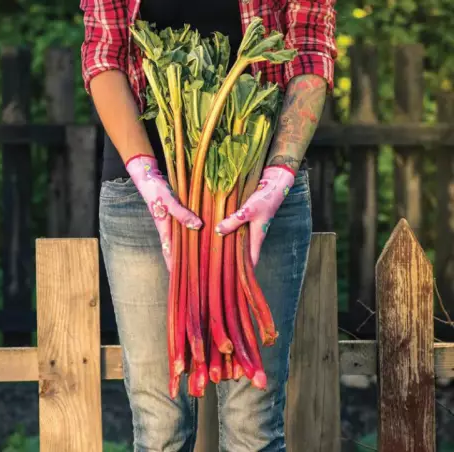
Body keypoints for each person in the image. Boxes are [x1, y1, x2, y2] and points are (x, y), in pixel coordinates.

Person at [80, 0, 336, 450]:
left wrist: (279, 175)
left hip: (262, 179)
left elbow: (310, 50)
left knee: (253, 425)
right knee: (159, 426)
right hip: (141, 191)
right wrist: (146, 174)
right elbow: (105, 55)